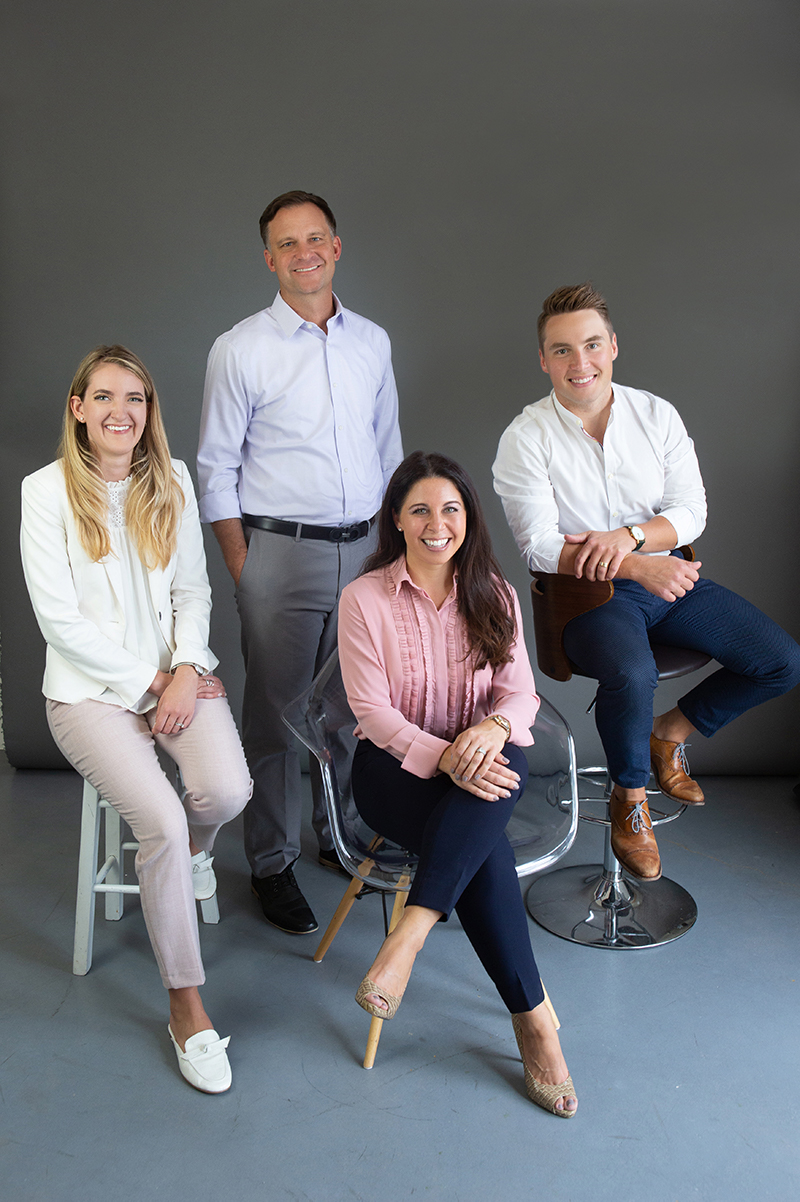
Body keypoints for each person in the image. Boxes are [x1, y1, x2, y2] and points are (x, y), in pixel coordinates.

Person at [493, 282, 800, 881]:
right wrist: (636, 562)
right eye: (561, 350)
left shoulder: (656, 414)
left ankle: (671, 731)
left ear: (612, 346)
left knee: (781, 661)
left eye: (590, 345)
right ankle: (629, 801)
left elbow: (692, 511)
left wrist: (629, 539)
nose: (578, 363)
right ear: (543, 359)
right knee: (631, 672)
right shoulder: (525, 436)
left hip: (666, 577)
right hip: (582, 599)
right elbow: (539, 545)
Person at [21, 345, 252, 1094]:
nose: (123, 411)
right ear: (78, 408)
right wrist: (153, 682)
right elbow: (60, 623)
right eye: (105, 397)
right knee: (159, 816)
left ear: (149, 412)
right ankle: (186, 1005)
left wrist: (186, 669)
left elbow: (194, 589)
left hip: (176, 678)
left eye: (138, 398)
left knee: (223, 794)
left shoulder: (172, 481)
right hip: (87, 695)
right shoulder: (45, 491)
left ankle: (190, 860)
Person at [337, 451, 577, 1118]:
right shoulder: (364, 599)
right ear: (397, 521)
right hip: (394, 771)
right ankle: (533, 1022)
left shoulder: (494, 593)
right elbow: (372, 713)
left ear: (468, 519)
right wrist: (447, 756)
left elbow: (519, 691)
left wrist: (493, 729)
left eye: (450, 509)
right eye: (420, 510)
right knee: (484, 837)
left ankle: (406, 938)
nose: (436, 523)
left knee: (488, 794)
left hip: (482, 762)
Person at [197, 190, 403, 936]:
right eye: (287, 244)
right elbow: (215, 467)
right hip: (277, 551)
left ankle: (341, 838)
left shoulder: (371, 343)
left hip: (366, 548)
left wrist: (391, 553)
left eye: (315, 238)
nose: (304, 253)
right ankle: (272, 861)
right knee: (279, 716)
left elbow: (388, 451)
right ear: (269, 258)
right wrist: (244, 566)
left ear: (337, 246)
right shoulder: (240, 348)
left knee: (349, 710)